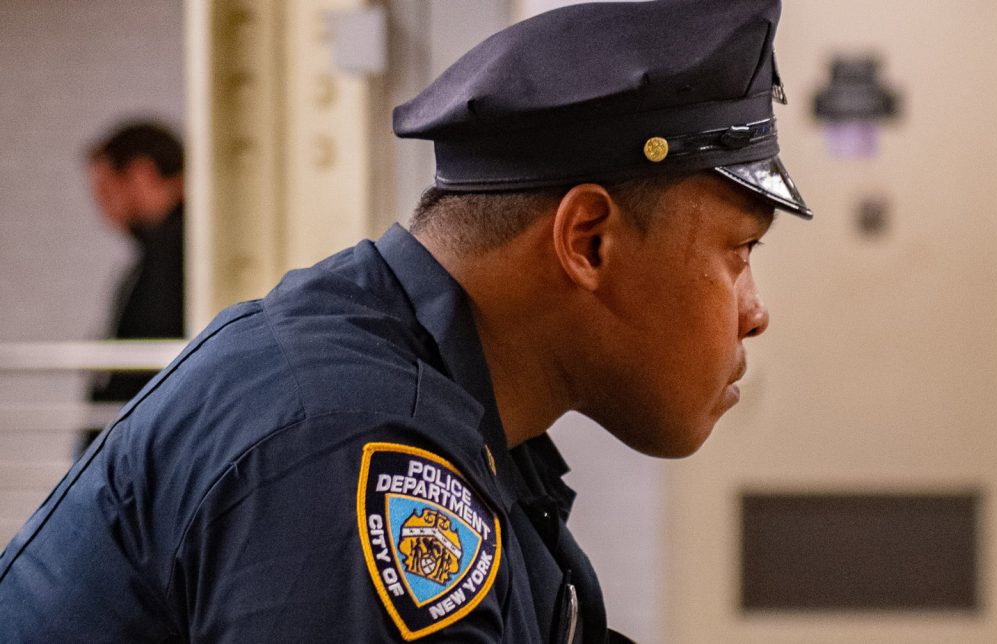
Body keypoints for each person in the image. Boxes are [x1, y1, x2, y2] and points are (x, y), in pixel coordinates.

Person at [0, 1, 811, 642]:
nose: (755, 311)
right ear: (587, 242)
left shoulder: (459, 412)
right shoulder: (345, 446)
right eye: (739, 252)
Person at [80, 121, 185, 449]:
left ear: (141, 175)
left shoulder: (173, 251)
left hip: (144, 440)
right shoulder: (170, 247)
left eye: (106, 193)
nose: (105, 213)